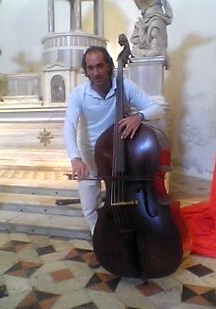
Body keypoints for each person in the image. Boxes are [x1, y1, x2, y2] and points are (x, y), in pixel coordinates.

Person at [63, 46, 164, 236]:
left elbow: (157, 109)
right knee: (90, 206)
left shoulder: (124, 86)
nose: (96, 72)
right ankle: (101, 240)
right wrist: (75, 158)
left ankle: (131, 234)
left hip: (118, 153)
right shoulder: (79, 94)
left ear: (109, 65)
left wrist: (139, 116)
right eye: (90, 68)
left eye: (100, 66)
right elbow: (69, 125)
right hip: (89, 154)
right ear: (86, 70)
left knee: (124, 200)